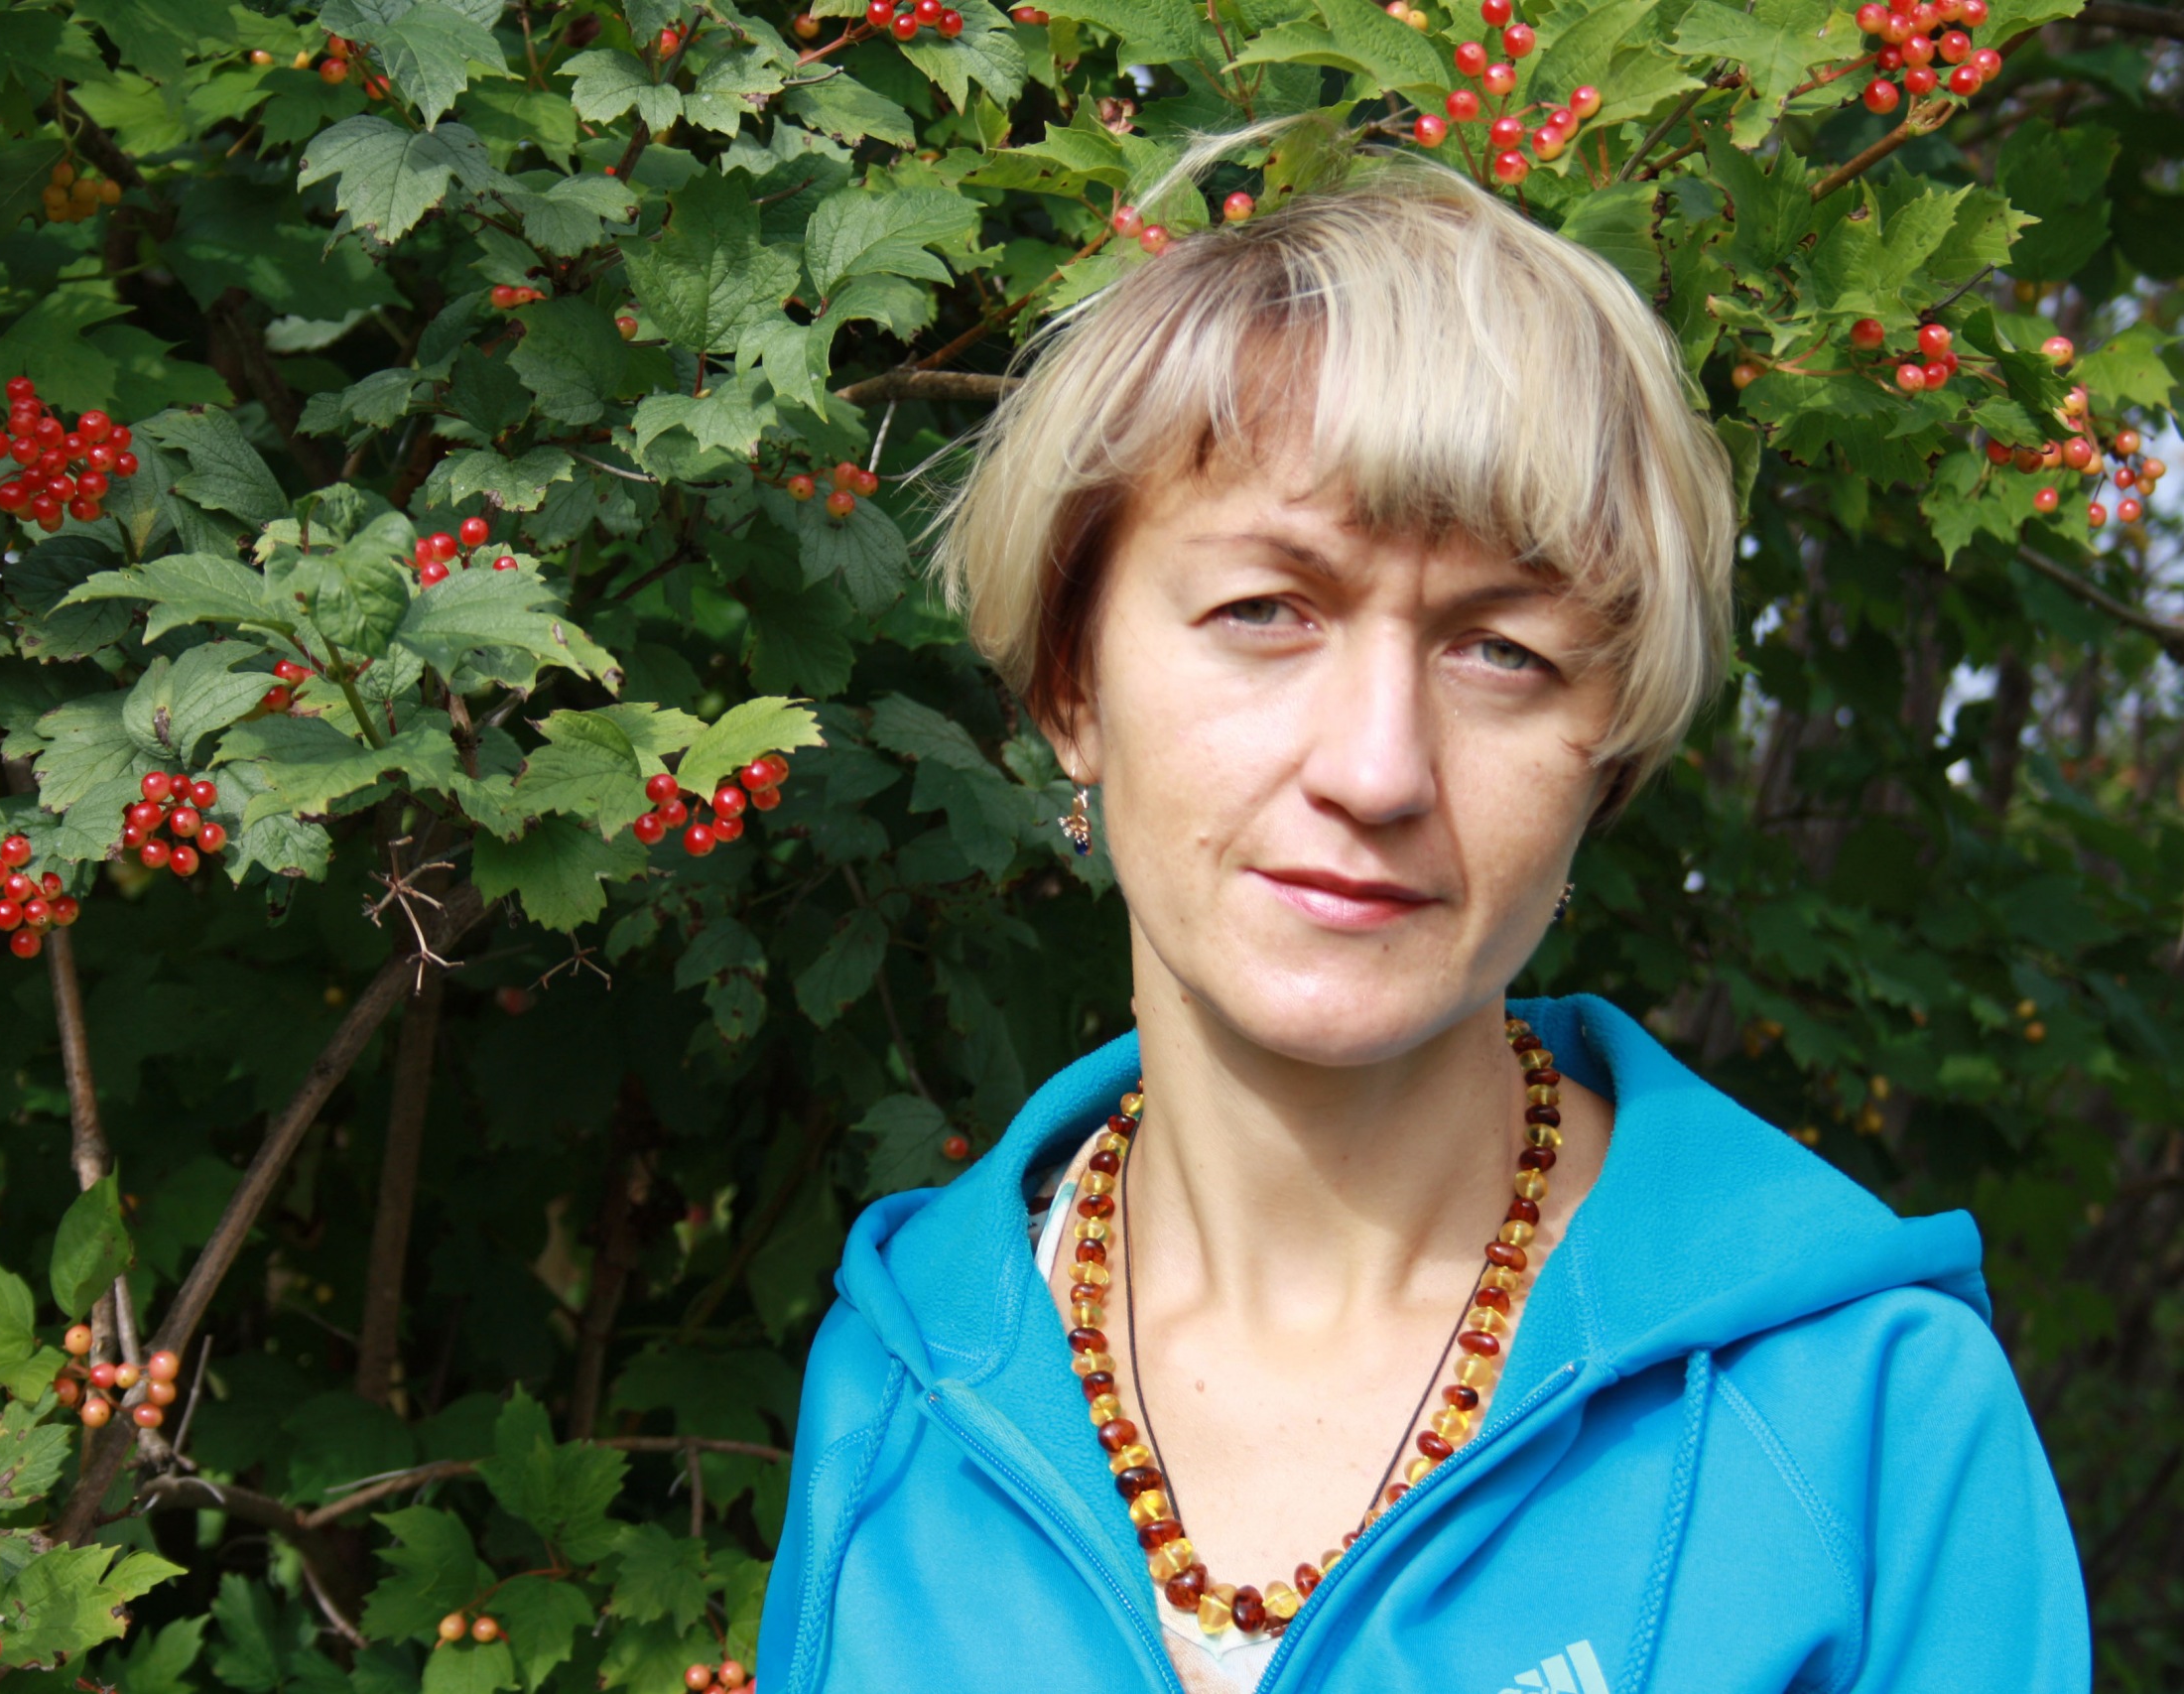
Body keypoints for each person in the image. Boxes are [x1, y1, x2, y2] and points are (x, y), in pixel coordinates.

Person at [754, 154, 2090, 1694]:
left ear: (1609, 759)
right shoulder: (899, 1386)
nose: (1378, 768)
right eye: (1265, 610)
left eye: (1503, 651)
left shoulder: (1867, 1421)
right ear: (1072, 682)